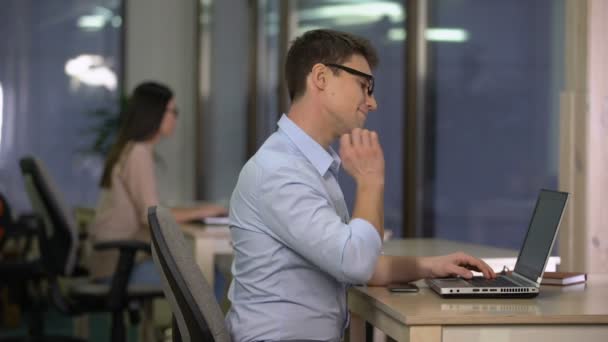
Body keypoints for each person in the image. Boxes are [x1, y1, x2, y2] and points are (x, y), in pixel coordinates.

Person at [225, 29, 496, 342]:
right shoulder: (280, 171)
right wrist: (370, 181)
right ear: (321, 78)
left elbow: (359, 260)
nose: (372, 102)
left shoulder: (305, 165)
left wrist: (430, 266)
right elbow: (354, 263)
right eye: (364, 86)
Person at [88, 81, 226, 286]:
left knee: (208, 274)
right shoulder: (138, 153)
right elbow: (149, 216)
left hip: (115, 259)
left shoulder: (130, 149)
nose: (175, 118)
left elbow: (150, 209)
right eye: (173, 111)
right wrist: (203, 212)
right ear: (155, 113)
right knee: (212, 279)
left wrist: (197, 210)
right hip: (119, 266)